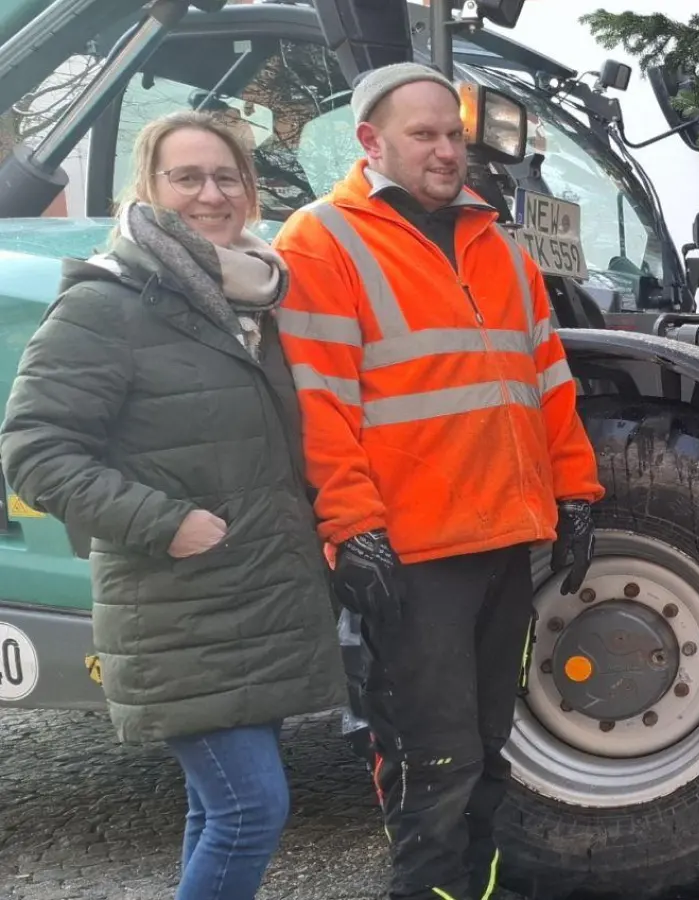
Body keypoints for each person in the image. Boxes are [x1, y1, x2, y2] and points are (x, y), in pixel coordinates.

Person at [271, 63, 604, 900]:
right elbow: (319, 403)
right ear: (371, 141)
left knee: (489, 750)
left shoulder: (498, 246)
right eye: (423, 134)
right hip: (412, 554)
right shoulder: (322, 241)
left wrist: (575, 490)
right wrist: (352, 526)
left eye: (453, 134)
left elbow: (547, 383)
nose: (446, 150)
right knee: (435, 758)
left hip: (502, 539)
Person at [0, 110, 344, 900]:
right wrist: (167, 523)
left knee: (216, 807)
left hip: (260, 601)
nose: (210, 194)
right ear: (148, 190)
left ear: (250, 190)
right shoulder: (107, 304)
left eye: (226, 177)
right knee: (251, 809)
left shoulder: (253, 297)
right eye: (186, 177)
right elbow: (34, 451)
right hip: (179, 603)